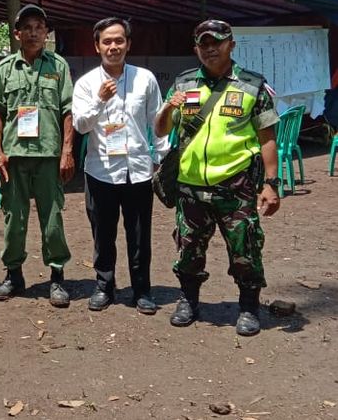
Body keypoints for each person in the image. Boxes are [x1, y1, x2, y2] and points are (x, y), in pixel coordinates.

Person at [154, 19, 281, 336]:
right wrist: (168, 108)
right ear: (196, 48)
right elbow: (161, 129)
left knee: (245, 250)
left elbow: (267, 138)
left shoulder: (252, 86)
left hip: (236, 187)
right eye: (203, 43)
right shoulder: (184, 85)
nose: (210, 49)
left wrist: (271, 183)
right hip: (191, 187)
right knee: (188, 249)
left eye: (217, 42)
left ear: (231, 45)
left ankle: (249, 307)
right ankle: (188, 300)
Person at [72, 17, 168, 315]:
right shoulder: (87, 83)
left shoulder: (145, 79)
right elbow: (80, 124)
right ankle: (104, 285)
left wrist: (161, 158)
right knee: (103, 233)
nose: (113, 47)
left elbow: (158, 121)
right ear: (97, 45)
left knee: (139, 234)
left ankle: (142, 290)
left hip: (138, 169)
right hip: (100, 171)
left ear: (128, 43)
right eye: (107, 41)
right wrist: (99, 100)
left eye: (119, 41)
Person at [0, 4, 74, 308]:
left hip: (49, 154)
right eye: (28, 27)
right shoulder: (5, 68)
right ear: (17, 33)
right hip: (14, 156)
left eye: (39, 26)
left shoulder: (58, 65)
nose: (34, 32)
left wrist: (67, 152)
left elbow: (68, 112)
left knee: (52, 218)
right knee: (14, 218)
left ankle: (57, 277)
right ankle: (13, 274)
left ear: (46, 32)